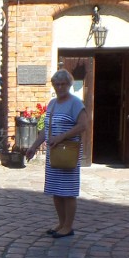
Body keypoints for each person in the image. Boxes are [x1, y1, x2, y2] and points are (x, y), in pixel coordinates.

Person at [23, 69, 89, 238]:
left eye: (63, 84)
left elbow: (83, 126)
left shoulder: (76, 103)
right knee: (56, 190)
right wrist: (34, 146)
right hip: (54, 153)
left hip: (68, 152)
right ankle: (61, 223)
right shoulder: (52, 103)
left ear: (69, 84)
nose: (60, 87)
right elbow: (47, 128)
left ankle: (68, 226)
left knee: (68, 192)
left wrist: (61, 137)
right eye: (57, 84)